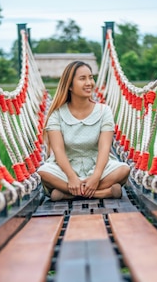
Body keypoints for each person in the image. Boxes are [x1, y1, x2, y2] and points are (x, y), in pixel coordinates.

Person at [37, 61, 130, 201]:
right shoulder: (56, 114)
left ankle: (67, 195)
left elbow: (105, 148)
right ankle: (104, 193)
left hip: (97, 166)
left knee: (124, 169)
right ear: (69, 86)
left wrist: (96, 177)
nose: (89, 83)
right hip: (65, 169)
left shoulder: (104, 111)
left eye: (91, 77)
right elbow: (58, 151)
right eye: (82, 78)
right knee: (43, 172)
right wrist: (72, 177)